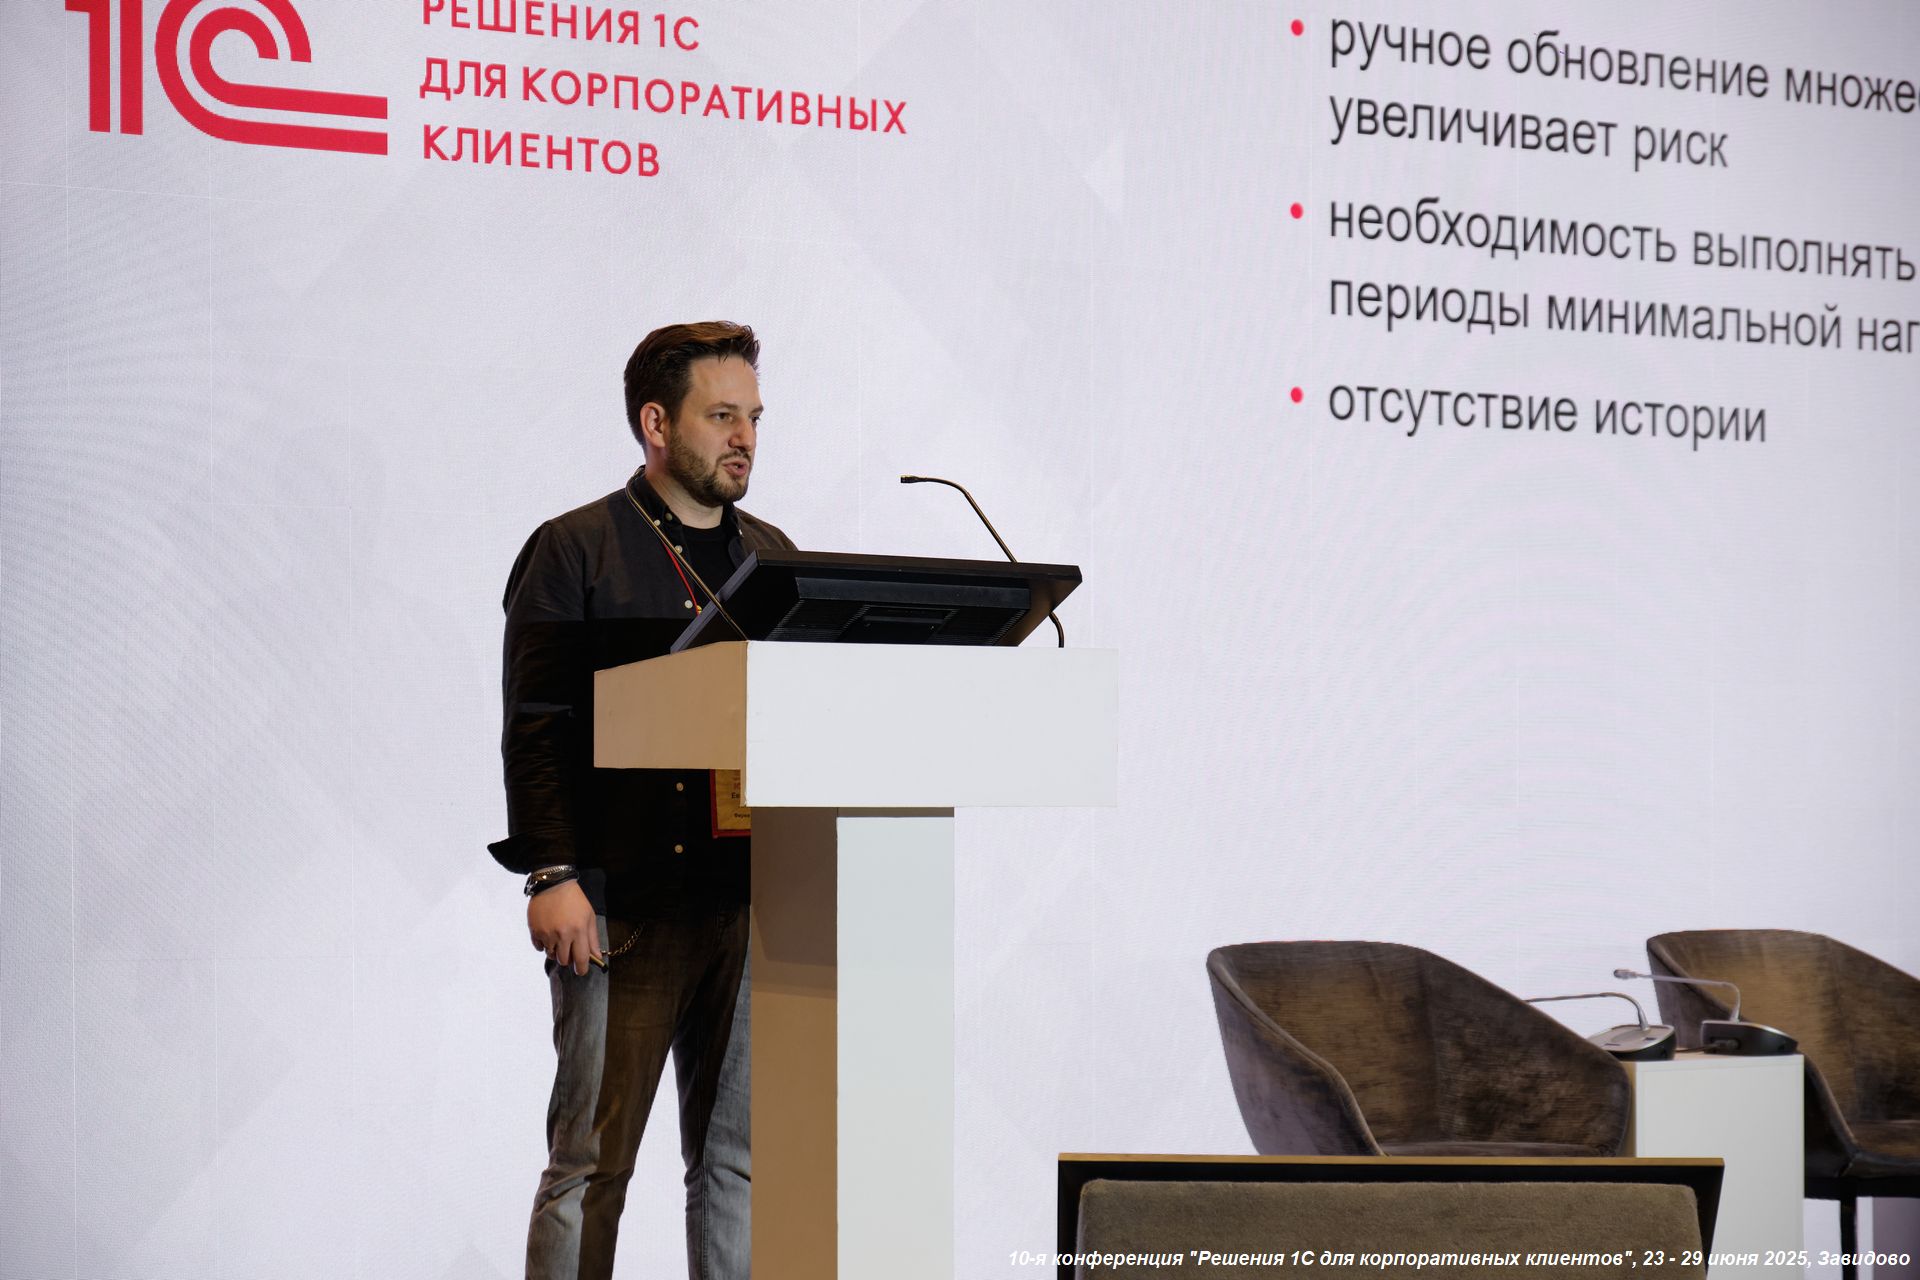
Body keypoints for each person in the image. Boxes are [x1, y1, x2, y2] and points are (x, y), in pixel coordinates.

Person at [489, 321, 795, 1280]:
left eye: (755, 418)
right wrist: (551, 874)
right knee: (590, 1167)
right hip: (620, 902)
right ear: (656, 424)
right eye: (722, 415)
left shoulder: (773, 555)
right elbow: (536, 724)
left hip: (751, 901)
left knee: (741, 1162)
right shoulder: (575, 548)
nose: (744, 437)